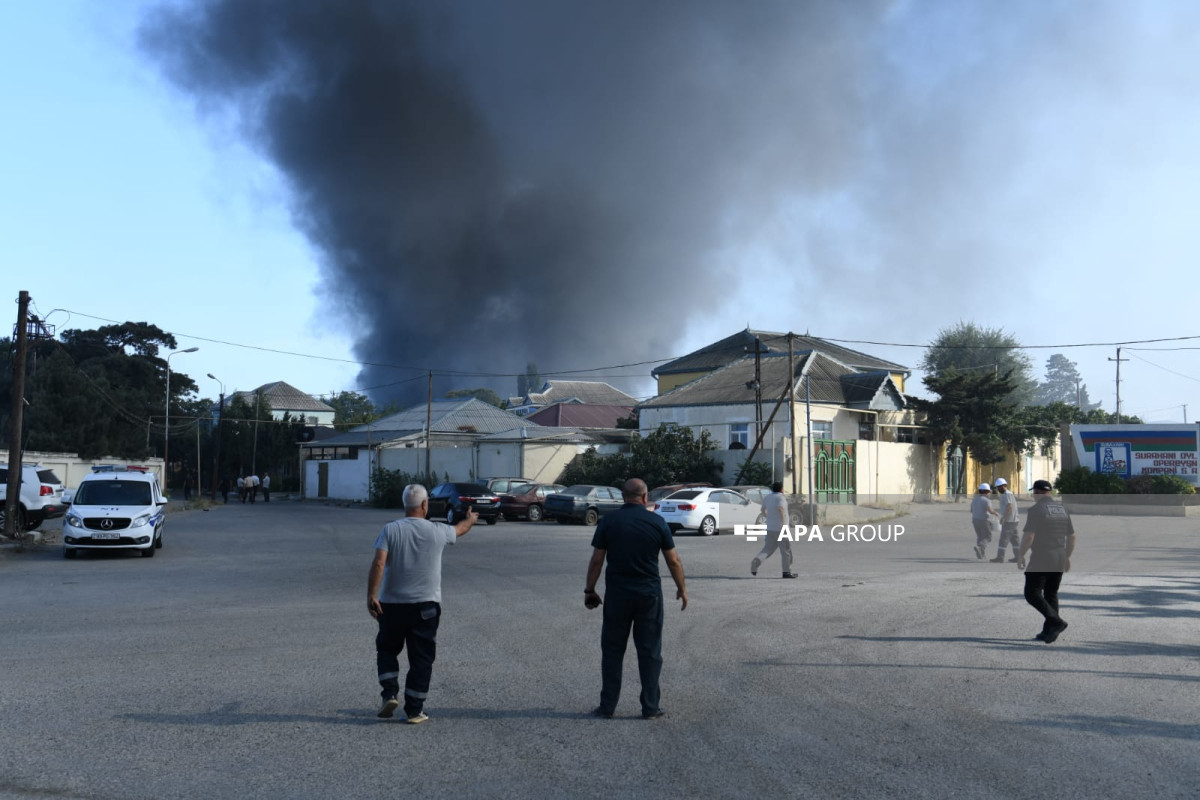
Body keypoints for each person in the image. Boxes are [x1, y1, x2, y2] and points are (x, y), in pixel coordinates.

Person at [367, 484, 479, 723]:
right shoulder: (438, 530)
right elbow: (460, 529)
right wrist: (470, 519)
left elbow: (378, 563)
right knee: (422, 658)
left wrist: (371, 595)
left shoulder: (390, 530)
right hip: (425, 607)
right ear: (426, 505)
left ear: (404, 505)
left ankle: (389, 693)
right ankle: (414, 710)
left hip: (392, 605)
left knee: (386, 649)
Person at [584, 478, 687, 720]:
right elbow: (673, 561)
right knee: (650, 651)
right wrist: (682, 589)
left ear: (623, 496)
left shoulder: (609, 522)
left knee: (612, 650)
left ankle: (607, 707)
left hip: (618, 596)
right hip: (648, 596)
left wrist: (590, 589)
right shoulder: (657, 522)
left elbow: (597, 559)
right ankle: (650, 707)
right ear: (644, 497)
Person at [1017, 479, 1076, 643]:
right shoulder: (1062, 509)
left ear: (1036, 493)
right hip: (1059, 555)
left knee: (1032, 593)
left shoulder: (1036, 509)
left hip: (1042, 556)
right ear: (1049, 492)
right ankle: (1048, 631)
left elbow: (1029, 536)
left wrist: (1021, 554)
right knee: (1051, 593)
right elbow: (1071, 537)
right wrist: (1068, 556)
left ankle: (1057, 622)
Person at [751, 481, 797, 578]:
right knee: (786, 551)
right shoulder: (781, 497)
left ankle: (757, 561)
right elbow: (781, 509)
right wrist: (784, 524)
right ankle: (786, 572)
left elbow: (762, 510)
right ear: (781, 489)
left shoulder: (768, 497)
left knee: (768, 549)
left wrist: (769, 517)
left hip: (770, 528)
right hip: (780, 528)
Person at [989, 478, 1020, 563]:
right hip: (1013, 520)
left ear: (1004, 486)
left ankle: (1000, 557)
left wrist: (1004, 518)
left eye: (999, 487)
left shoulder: (1007, 494)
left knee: (1003, 539)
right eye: (997, 487)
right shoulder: (1005, 494)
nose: (998, 489)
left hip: (1009, 521)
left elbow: (1009, 506)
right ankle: (1018, 557)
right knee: (1015, 540)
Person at [970, 483, 998, 559]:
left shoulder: (974, 500)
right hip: (984, 521)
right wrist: (996, 513)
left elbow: (971, 510)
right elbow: (990, 510)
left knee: (980, 536)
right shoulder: (987, 500)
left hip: (975, 521)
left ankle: (981, 554)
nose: (989, 494)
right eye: (989, 492)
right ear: (986, 492)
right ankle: (980, 547)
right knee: (988, 537)